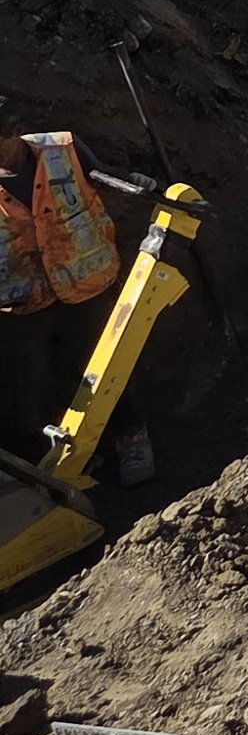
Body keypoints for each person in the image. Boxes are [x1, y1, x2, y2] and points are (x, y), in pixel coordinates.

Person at [0, 120, 130, 476]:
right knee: (26, 393)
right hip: (21, 302)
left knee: (105, 373)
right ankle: (64, 468)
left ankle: (131, 444)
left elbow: (107, 179)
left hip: (83, 284)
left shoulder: (62, 149)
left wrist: (139, 185)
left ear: (15, 132)